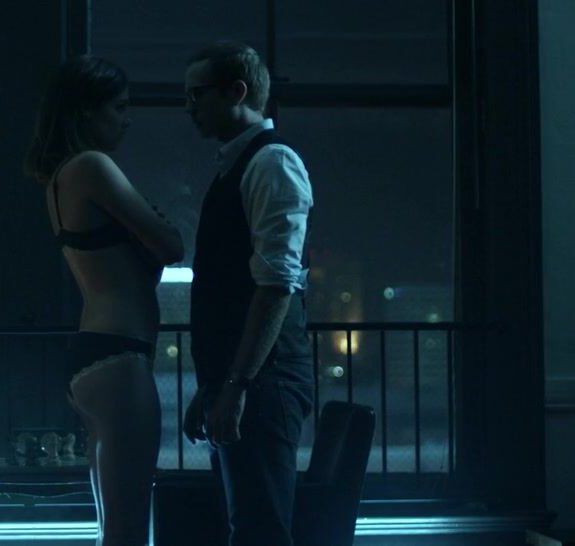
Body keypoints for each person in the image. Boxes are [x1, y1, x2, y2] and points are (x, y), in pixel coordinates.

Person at [24, 54, 184, 546]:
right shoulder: (92, 166)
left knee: (115, 526)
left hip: (96, 353)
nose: (127, 119)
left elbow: (143, 258)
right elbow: (172, 245)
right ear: (86, 111)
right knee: (128, 528)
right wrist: (156, 228)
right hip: (120, 357)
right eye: (119, 107)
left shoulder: (61, 177)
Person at [180, 41, 316, 546]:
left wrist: (234, 387)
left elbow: (277, 285)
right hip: (253, 382)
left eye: (197, 93)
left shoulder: (270, 163)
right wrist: (217, 387)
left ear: (236, 92)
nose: (189, 106)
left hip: (262, 383)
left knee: (258, 530)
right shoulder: (245, 165)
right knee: (253, 526)